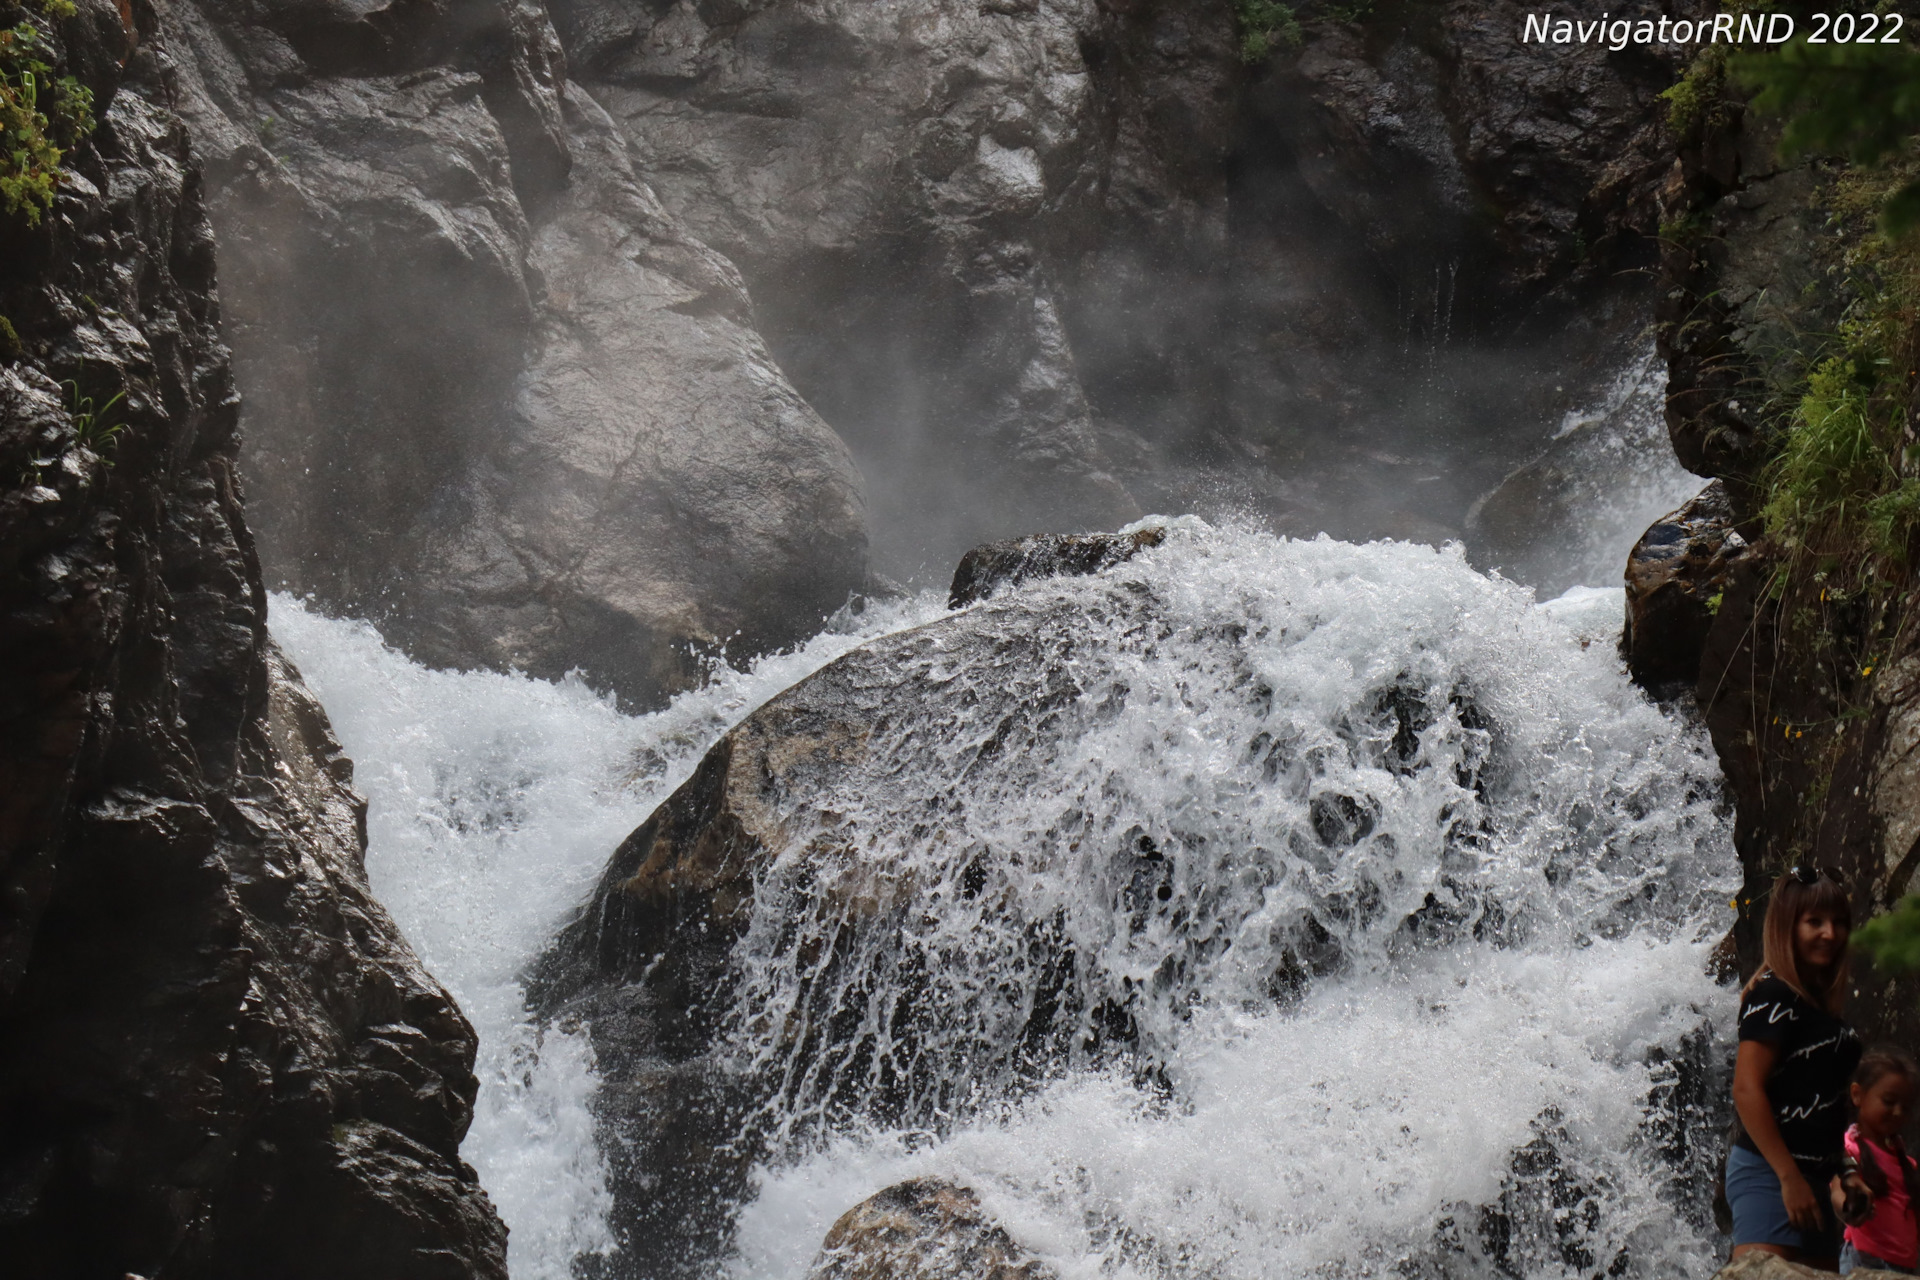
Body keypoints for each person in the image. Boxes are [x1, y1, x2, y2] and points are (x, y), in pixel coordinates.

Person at [1726, 866, 1861, 1267]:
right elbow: (1746, 1089)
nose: (1829, 934)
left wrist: (1848, 1174)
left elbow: (1828, 1104)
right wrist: (1788, 1178)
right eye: (1814, 922)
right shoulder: (1773, 994)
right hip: (1771, 1177)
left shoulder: (1817, 1006)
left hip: (1815, 1183)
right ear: (1787, 926)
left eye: (1838, 923)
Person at [1832, 1048, 1920, 1275]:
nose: (1898, 1112)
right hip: (1864, 1259)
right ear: (1857, 1095)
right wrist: (1849, 1208)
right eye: (1889, 1101)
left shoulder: (1907, 1164)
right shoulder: (1850, 1149)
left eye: (1906, 1107)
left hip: (1905, 1266)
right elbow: (1837, 1188)